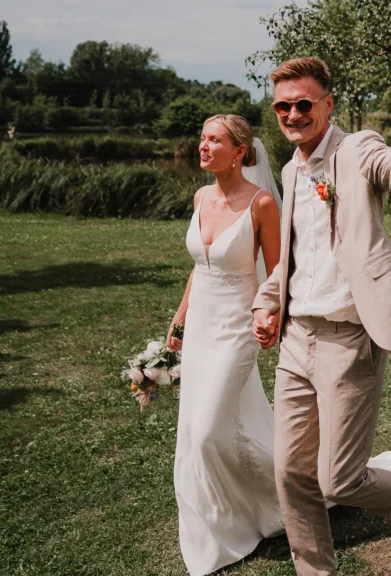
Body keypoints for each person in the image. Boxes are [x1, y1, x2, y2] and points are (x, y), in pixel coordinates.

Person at [250, 57, 391, 575]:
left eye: (303, 104)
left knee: (340, 479)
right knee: (290, 474)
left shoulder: (356, 148)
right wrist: (267, 305)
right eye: (283, 106)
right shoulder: (290, 170)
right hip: (296, 341)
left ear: (327, 104)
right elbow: (294, 258)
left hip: (348, 337)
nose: (293, 114)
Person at [167, 114, 284, 576]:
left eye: (214, 140)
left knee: (209, 430)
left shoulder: (261, 205)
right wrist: (180, 316)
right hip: (200, 326)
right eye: (201, 138)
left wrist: (267, 315)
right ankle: (218, 516)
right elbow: (202, 264)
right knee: (198, 425)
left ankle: (271, 504)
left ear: (240, 151)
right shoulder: (200, 197)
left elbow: (275, 273)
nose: (203, 146)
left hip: (237, 327)